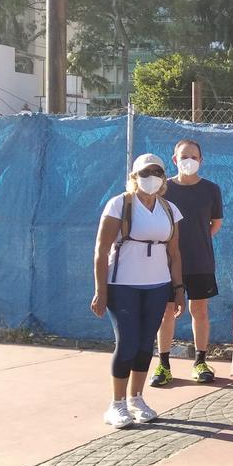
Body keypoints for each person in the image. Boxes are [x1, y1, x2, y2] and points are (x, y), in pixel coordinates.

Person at [90, 153, 184, 429]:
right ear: (134, 177)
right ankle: (117, 404)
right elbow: (101, 250)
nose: (151, 177)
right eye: (145, 172)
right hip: (123, 286)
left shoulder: (169, 209)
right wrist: (101, 290)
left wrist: (178, 289)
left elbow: (175, 254)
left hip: (158, 285)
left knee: (145, 344)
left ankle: (137, 399)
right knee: (127, 342)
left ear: (164, 178)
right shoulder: (119, 204)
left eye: (156, 172)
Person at [152, 139, 223, 386]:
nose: (189, 161)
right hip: (167, 263)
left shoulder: (211, 189)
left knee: (199, 311)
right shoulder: (163, 189)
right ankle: (163, 365)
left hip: (201, 261)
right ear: (174, 160)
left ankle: (200, 361)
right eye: (184, 157)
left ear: (201, 161)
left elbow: (215, 224)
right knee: (166, 313)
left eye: (194, 157)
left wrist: (197, 240)